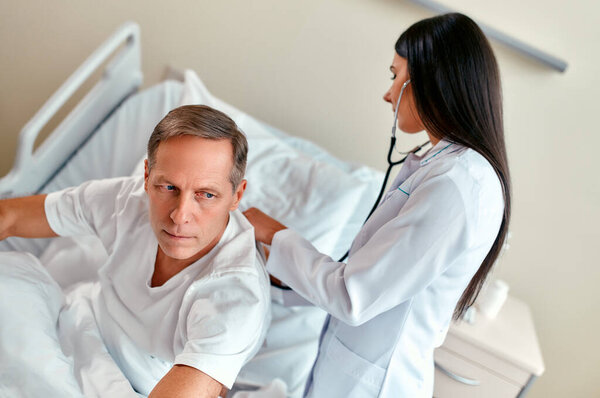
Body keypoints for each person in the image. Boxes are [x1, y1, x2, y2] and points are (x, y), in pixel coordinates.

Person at [243, 12, 511, 397]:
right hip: (350, 371)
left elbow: (355, 295)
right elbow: (371, 276)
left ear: (430, 81)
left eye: (395, 75)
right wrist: (281, 276)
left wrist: (275, 232)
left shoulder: (457, 185)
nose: (389, 93)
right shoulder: (442, 167)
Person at [0, 105, 270, 397]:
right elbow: (10, 217)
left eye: (206, 195)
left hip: (139, 385)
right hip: (75, 322)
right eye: (168, 187)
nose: (180, 215)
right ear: (146, 176)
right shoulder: (125, 201)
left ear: (236, 196)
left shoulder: (235, 298)